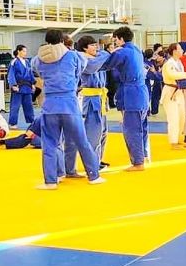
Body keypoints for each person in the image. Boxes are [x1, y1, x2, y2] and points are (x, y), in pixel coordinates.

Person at [32, 29, 104, 188]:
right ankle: (93, 176)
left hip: (49, 105)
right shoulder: (73, 56)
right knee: (82, 141)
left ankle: (51, 181)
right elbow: (82, 68)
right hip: (69, 103)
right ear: (62, 40)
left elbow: (38, 72)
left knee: (49, 144)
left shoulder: (37, 59)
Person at [101, 27, 150, 171]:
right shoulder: (137, 50)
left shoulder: (122, 52)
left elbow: (106, 64)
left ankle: (138, 162)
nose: (115, 43)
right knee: (142, 127)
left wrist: (99, 54)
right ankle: (144, 155)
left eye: (115, 40)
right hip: (141, 92)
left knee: (131, 129)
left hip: (132, 94)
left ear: (121, 39)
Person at [67, 35, 111, 173]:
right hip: (90, 98)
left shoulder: (97, 58)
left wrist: (103, 53)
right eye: (92, 45)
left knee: (103, 131)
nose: (96, 47)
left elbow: (105, 60)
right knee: (93, 133)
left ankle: (97, 160)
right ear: (85, 48)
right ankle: (92, 165)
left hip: (100, 96)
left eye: (96, 44)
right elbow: (92, 67)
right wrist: (106, 52)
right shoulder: (82, 59)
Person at [161, 43, 186, 150]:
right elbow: (172, 75)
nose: (182, 50)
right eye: (180, 49)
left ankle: (177, 139)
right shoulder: (169, 63)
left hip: (179, 91)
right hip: (170, 92)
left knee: (182, 116)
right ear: (174, 51)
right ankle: (173, 142)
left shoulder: (179, 62)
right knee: (173, 118)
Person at [7, 44, 34, 128]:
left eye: (26, 51)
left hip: (27, 86)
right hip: (18, 87)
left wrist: (32, 83)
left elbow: (30, 73)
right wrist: (13, 85)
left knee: (29, 105)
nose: (25, 53)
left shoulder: (27, 62)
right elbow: (11, 74)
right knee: (15, 106)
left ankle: (32, 122)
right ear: (18, 51)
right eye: (24, 51)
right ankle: (13, 123)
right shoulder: (14, 62)